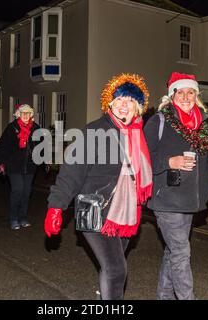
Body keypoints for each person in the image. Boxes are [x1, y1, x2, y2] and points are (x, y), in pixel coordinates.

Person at [44, 74, 153, 300]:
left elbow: (141, 175)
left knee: (113, 265)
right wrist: (56, 206)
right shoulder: (95, 131)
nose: (124, 105)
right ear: (110, 104)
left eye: (130, 101)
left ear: (138, 108)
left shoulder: (139, 136)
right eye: (119, 100)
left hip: (126, 212)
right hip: (96, 211)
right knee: (116, 270)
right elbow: (71, 172)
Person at [143, 72, 208, 300]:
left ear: (196, 96)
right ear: (172, 95)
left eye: (190, 92)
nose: (185, 97)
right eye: (180, 92)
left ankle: (164, 296)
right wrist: (169, 162)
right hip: (167, 198)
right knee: (181, 253)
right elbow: (141, 158)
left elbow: (206, 164)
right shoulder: (160, 121)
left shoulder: (201, 124)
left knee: (173, 251)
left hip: (189, 200)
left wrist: (204, 192)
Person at [0, 104, 41, 230]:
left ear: (31, 115)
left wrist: (43, 158)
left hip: (30, 166)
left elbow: (41, 146)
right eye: (23, 113)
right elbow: (2, 147)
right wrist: (1, 163)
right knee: (18, 189)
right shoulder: (12, 128)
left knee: (26, 192)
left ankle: (23, 217)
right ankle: (14, 218)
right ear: (18, 114)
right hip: (14, 166)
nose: (26, 115)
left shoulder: (36, 128)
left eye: (28, 113)